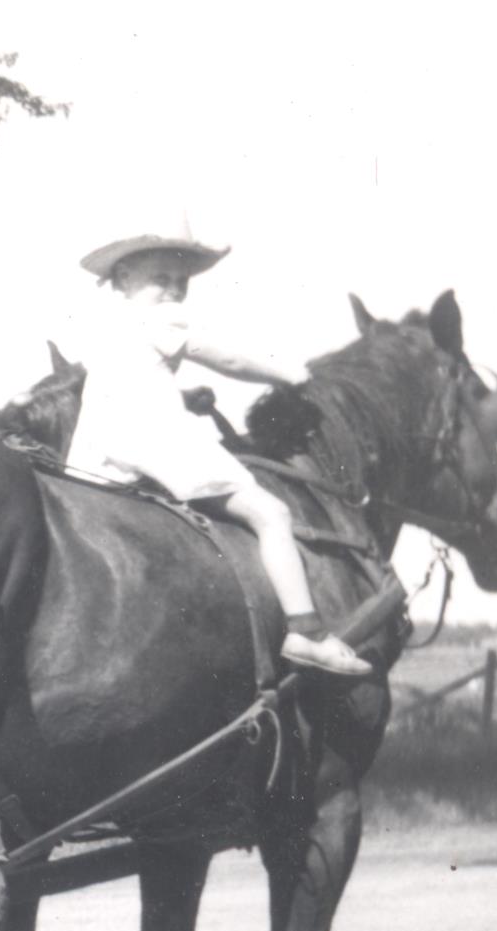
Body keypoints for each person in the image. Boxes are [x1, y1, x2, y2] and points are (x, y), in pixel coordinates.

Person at [56, 228, 373, 677]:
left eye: (180, 281)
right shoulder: (166, 319)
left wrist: (183, 398)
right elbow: (230, 361)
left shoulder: (109, 327)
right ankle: (307, 631)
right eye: (160, 278)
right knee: (272, 513)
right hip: (154, 438)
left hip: (103, 443)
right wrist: (289, 375)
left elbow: (129, 387)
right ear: (123, 276)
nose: (172, 289)